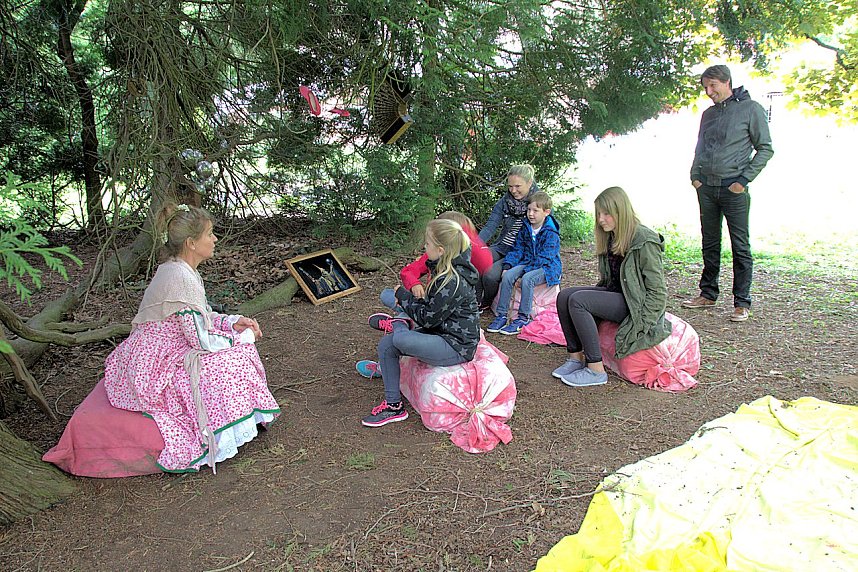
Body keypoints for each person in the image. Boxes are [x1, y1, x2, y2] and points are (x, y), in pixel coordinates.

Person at [103, 203, 280, 472]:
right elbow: (200, 340)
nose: (215, 239)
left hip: (166, 342)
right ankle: (221, 433)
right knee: (231, 360)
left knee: (239, 349)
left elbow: (201, 316)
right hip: (155, 358)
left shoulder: (181, 269)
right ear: (191, 243)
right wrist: (238, 340)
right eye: (209, 234)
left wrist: (233, 323)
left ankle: (241, 421)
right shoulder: (180, 276)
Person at [356, 218, 480, 427]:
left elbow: (428, 318)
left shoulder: (452, 280)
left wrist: (404, 297)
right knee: (387, 344)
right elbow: (429, 309)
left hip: (455, 345)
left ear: (440, 250)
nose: (425, 247)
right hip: (439, 330)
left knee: (400, 338)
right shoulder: (442, 266)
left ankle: (398, 322)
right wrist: (406, 296)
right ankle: (393, 406)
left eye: (428, 244)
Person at [553, 187, 671, 387]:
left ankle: (595, 369)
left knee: (578, 301)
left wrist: (641, 325)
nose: (600, 219)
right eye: (598, 213)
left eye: (606, 213)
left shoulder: (644, 240)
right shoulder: (612, 236)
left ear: (620, 211)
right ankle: (575, 358)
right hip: (617, 293)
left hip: (635, 303)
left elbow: (657, 292)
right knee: (564, 296)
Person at [684, 64, 774, 322]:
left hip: (734, 188)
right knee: (709, 242)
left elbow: (765, 149)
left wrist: (743, 181)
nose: (709, 91)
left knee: (740, 246)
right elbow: (699, 148)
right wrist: (695, 176)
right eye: (705, 87)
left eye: (712, 86)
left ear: (727, 82)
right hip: (707, 187)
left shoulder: (750, 109)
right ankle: (708, 293)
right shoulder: (708, 114)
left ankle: (741, 302)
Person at [486, 191, 561, 335]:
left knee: (527, 279)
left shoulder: (551, 232)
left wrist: (525, 273)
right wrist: (508, 265)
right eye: (529, 210)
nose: (531, 214)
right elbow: (518, 248)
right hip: (527, 262)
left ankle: (523, 317)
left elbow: (546, 257)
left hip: (546, 267)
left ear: (546, 212)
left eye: (535, 211)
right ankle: (502, 315)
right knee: (507, 276)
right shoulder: (526, 227)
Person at [477, 164, 538, 308]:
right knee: (477, 260)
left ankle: (487, 301)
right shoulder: (505, 201)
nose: (513, 190)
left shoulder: (538, 203)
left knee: (490, 276)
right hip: (502, 245)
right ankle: (474, 300)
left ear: (529, 183)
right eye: (510, 186)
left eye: (518, 186)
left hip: (521, 252)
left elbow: (546, 232)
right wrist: (475, 245)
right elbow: (490, 226)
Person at [399, 211, 492, 299]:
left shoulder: (465, 261)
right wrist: (414, 284)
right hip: (430, 302)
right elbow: (408, 271)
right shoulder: (434, 254)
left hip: (438, 306)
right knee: (388, 295)